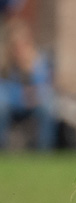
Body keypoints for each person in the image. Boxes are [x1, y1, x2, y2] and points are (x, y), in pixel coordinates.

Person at [1, 19, 59, 151]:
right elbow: (3, 90)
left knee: (47, 106)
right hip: (12, 105)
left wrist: (31, 71)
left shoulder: (38, 63)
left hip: (34, 105)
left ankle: (44, 150)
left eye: (23, 45)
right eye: (15, 47)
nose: (19, 50)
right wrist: (21, 97)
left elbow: (45, 88)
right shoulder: (5, 66)